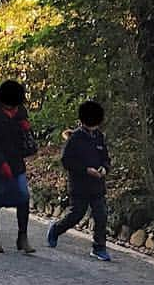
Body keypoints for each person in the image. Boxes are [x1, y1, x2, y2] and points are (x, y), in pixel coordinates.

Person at [47, 101, 112, 261]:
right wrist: (85, 169)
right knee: (76, 214)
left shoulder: (99, 137)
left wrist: (104, 168)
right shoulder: (75, 138)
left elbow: (105, 158)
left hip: (97, 185)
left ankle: (99, 247)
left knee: (101, 215)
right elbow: (66, 161)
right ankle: (56, 229)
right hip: (80, 185)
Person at [0, 79, 37, 254]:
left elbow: (27, 137)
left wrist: (26, 128)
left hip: (16, 162)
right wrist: (1, 163)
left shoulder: (21, 112)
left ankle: (22, 236)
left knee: (23, 197)